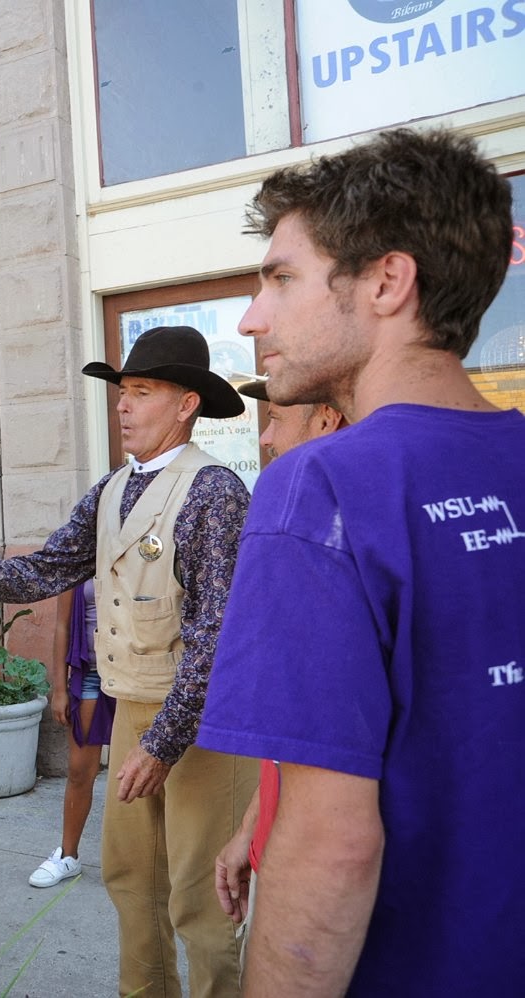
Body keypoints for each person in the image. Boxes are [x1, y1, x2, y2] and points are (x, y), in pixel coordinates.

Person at [197, 128, 524, 995]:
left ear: (387, 281)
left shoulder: (323, 488)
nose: (251, 317)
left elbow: (330, 845)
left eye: (281, 277)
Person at [0, 324, 255, 998]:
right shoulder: (112, 489)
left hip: (203, 725)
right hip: (133, 712)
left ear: (186, 405)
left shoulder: (216, 492)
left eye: (141, 392)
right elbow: (45, 569)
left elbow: (218, 635)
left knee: (202, 903)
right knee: (131, 880)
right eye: (121, 392)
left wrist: (164, 743)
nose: (123, 404)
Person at [210, 375, 344, 956]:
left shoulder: (320, 535)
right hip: (277, 846)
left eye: (276, 421)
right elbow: (290, 741)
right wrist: (249, 831)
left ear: (325, 421)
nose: (263, 439)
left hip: (312, 879)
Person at [28, 580, 115, 888]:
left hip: (138, 678)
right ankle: (68, 855)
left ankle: (143, 862)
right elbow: (62, 626)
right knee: (79, 771)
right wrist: (60, 689)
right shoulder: (79, 553)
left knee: (136, 773)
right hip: (91, 674)